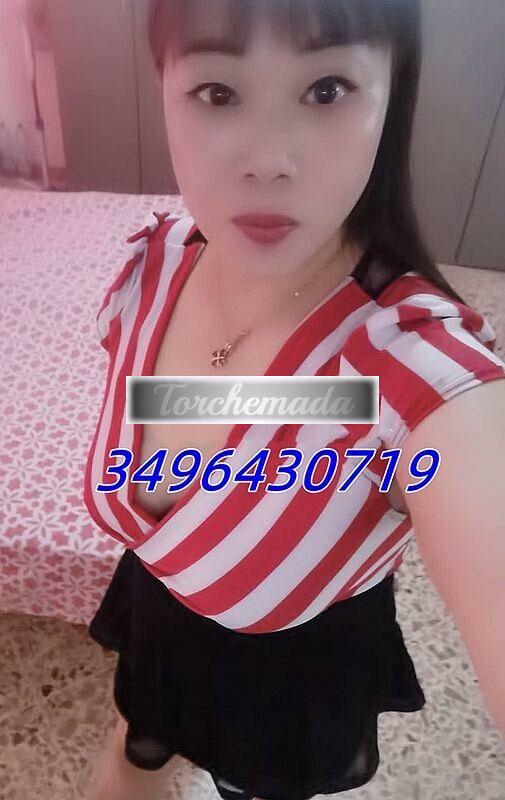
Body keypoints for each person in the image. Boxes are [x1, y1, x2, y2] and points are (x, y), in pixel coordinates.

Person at [84, 1, 505, 799]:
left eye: (326, 90)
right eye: (216, 92)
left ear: (392, 94)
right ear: (162, 85)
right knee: (138, 740)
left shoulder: (412, 367)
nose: (268, 162)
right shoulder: (156, 266)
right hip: (160, 620)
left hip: (288, 677)